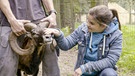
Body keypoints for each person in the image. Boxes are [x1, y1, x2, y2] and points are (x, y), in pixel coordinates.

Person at [44, 5, 122, 76]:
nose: (87, 24)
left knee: (109, 74)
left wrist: (85, 67)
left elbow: (111, 60)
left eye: (91, 23)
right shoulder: (83, 29)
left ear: (103, 26)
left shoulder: (116, 35)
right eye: (87, 20)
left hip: (101, 72)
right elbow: (66, 45)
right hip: (83, 73)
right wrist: (58, 34)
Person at [0, 0, 60, 76]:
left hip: (40, 22)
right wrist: (11, 20)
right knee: (7, 66)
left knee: (52, 61)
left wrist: (52, 13)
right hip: (10, 23)